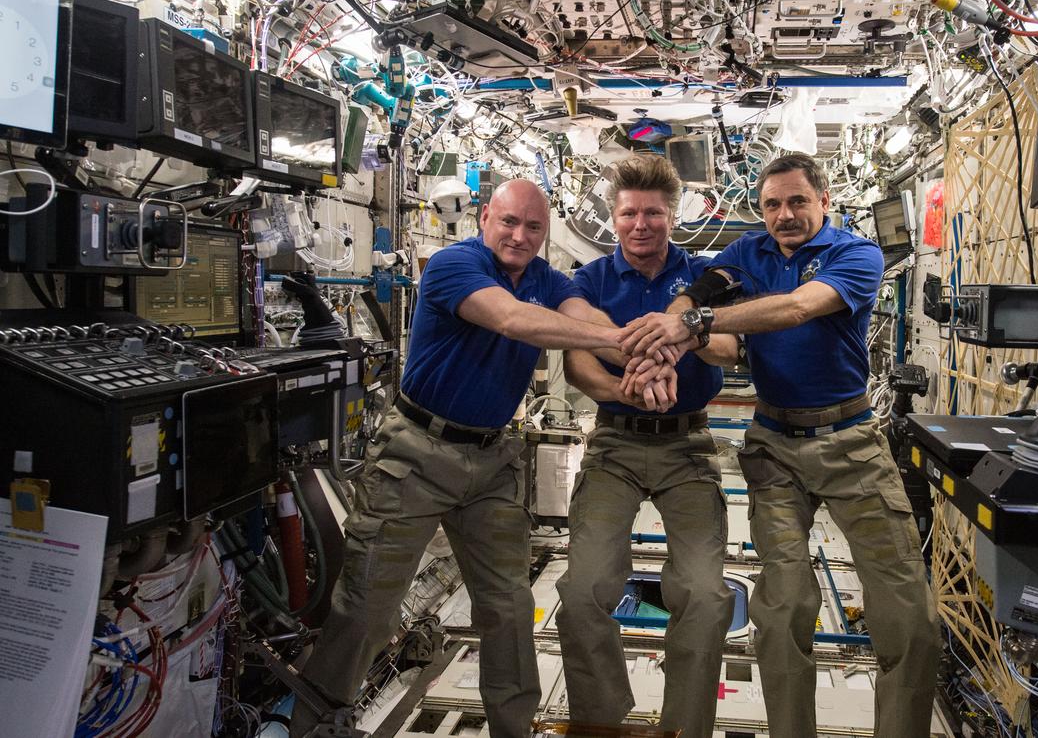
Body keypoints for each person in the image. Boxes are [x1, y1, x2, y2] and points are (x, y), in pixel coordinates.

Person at [621, 154, 941, 738]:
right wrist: (665, 340)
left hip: (851, 445)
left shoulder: (856, 254)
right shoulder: (747, 254)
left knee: (909, 616)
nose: (784, 215)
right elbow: (693, 294)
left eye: (797, 201)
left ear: (824, 201)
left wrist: (691, 325)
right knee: (782, 607)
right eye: (772, 204)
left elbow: (796, 308)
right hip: (774, 447)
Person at [292, 179, 625, 738]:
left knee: (510, 609)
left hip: (493, 461)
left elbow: (581, 315)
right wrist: (619, 341)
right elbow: (512, 320)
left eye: (534, 227)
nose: (519, 236)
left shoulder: (547, 280)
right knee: (367, 610)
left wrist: (632, 342)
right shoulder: (453, 264)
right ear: (484, 217)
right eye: (509, 222)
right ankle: (316, 726)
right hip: (417, 453)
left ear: (546, 233)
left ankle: (512, 729)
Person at [555, 156, 739, 738]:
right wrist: (628, 389)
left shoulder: (705, 277)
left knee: (707, 596)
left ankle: (684, 728)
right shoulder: (590, 281)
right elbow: (578, 360)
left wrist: (679, 335)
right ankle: (600, 720)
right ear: (613, 218)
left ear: (672, 215)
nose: (641, 224)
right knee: (583, 589)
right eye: (629, 213)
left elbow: (730, 348)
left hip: (688, 446)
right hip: (614, 442)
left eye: (653, 213)